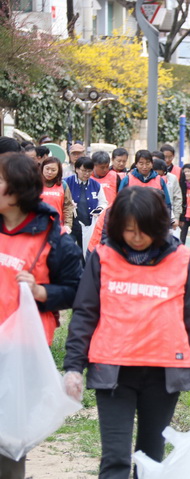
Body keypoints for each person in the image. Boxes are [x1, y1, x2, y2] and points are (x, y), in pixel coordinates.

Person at [63, 186, 190, 479]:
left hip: (164, 371)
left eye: (143, 230)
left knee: (150, 460)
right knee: (115, 459)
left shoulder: (181, 259)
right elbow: (85, 313)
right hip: (113, 370)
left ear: (158, 226)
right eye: (128, 229)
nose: (135, 236)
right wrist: (73, 367)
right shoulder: (103, 256)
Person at [0, 153, 82, 478]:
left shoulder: (54, 239)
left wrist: (41, 293)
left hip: (20, 352)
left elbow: (78, 290)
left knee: (8, 441)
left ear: (17, 190)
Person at [65, 156, 108, 255]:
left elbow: (103, 202)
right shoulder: (67, 182)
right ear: (76, 169)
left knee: (87, 252)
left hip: (89, 225)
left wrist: (100, 209)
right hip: (71, 225)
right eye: (84, 171)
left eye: (89, 171)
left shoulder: (96, 185)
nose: (87, 174)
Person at [40, 157, 75, 232]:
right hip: (37, 226)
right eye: (47, 169)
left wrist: (67, 225)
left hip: (57, 227)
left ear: (58, 171)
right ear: (42, 168)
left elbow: (68, 206)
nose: (49, 172)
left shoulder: (63, 185)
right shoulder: (34, 184)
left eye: (53, 170)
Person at [152, 159, 182, 228]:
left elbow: (177, 198)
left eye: (161, 174)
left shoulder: (172, 178)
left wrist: (176, 217)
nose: (158, 177)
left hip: (167, 215)